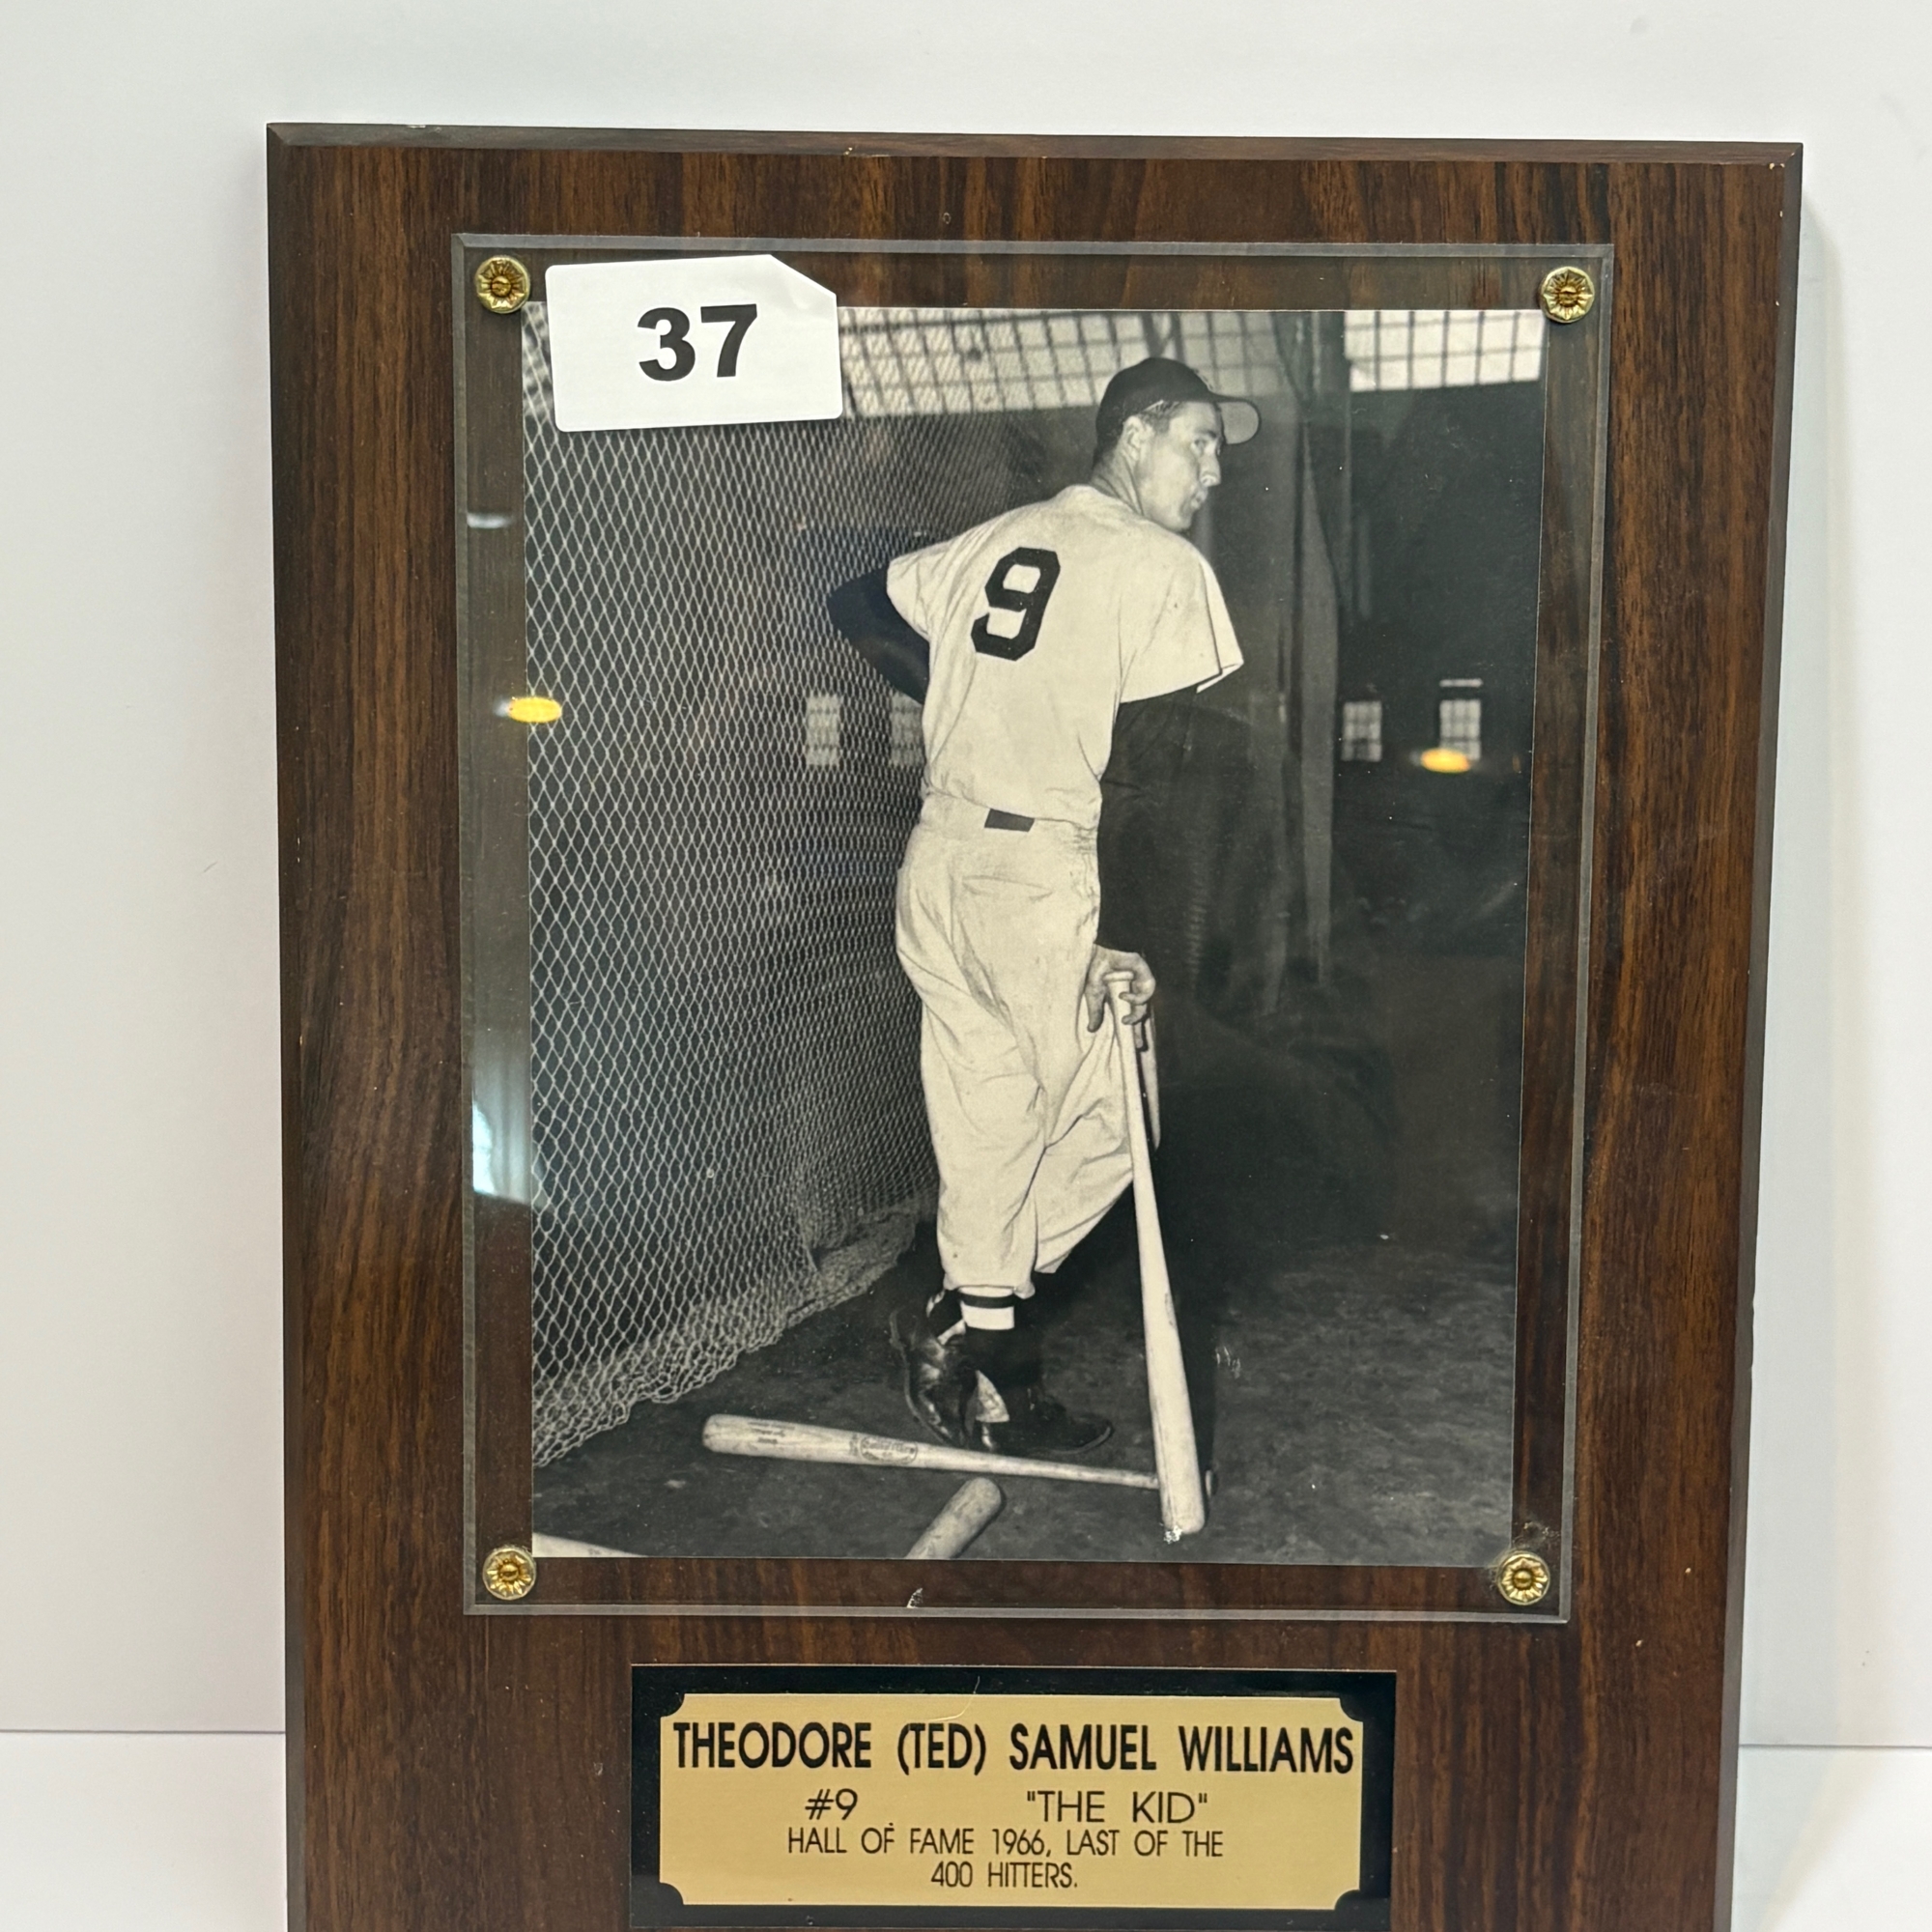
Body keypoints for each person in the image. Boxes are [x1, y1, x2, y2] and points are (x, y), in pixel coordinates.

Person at [828, 356, 1256, 1456]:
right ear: (1137, 433)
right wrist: (1127, 933)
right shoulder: (1162, 564)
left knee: (988, 1128)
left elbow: (856, 599)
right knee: (1118, 1116)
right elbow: (1148, 771)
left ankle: (986, 1375)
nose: (1213, 471)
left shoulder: (997, 536)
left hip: (938, 863)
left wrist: (962, 693)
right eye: (1200, 442)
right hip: (1040, 875)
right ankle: (959, 1318)